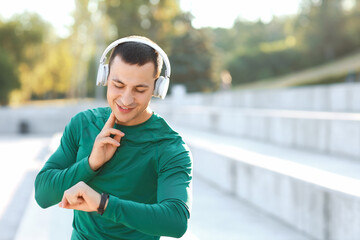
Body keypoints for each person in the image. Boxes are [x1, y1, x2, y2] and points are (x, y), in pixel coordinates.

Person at [34, 36, 193, 240]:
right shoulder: (83, 124)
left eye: (140, 89)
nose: (126, 99)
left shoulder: (170, 146)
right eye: (118, 85)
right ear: (105, 77)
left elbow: (176, 222)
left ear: (157, 88)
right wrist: (90, 164)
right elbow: (43, 195)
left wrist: (103, 203)